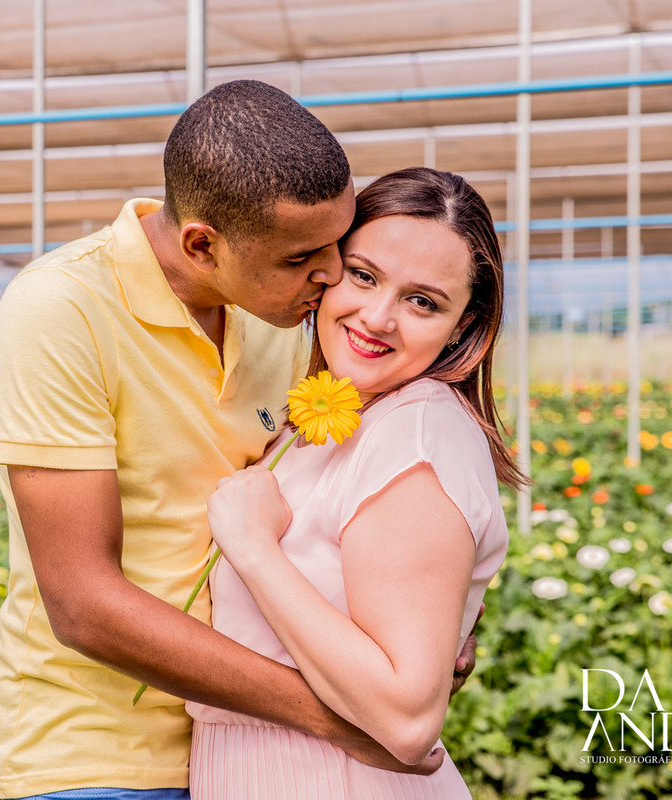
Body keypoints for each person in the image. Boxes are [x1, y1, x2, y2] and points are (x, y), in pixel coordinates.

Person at [0, 82, 475, 800]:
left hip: (229, 755)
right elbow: (82, 603)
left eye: (338, 245)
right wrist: (338, 717)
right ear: (203, 244)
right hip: (80, 757)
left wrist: (422, 629)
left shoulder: (282, 311)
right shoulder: (62, 310)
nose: (329, 277)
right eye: (303, 257)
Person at [188, 167, 526, 799]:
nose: (378, 317)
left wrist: (254, 548)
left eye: (423, 301)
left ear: (462, 326)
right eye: (363, 275)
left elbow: (405, 719)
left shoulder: (415, 433)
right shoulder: (337, 416)